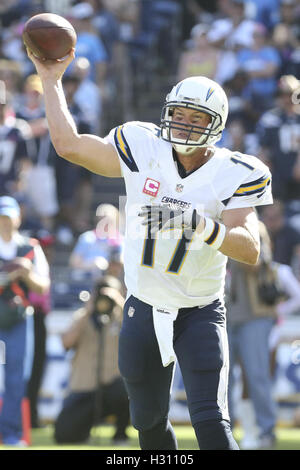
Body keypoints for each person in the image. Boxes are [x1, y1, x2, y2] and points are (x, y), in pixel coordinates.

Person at [27, 46, 273, 450]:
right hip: (141, 306)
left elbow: (249, 250)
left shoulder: (237, 171)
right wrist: (52, 80)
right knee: (149, 424)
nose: (185, 125)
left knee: (211, 424)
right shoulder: (142, 145)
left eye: (198, 118)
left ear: (217, 125)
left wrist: (198, 224)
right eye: (180, 114)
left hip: (200, 311)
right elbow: (69, 145)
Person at [54, 276, 130, 445]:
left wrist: (119, 301)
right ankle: (82, 433)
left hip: (113, 387)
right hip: (85, 389)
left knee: (127, 390)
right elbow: (66, 343)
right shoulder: (82, 316)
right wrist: (88, 310)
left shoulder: (122, 317)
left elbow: (139, 336)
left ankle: (120, 435)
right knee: (63, 435)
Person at [0, 196, 50, 446]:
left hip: (20, 321)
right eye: (2, 218)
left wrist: (25, 272)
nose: (6, 223)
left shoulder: (30, 247)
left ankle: (10, 433)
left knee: (16, 378)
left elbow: (43, 287)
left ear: (17, 218)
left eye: (9, 218)